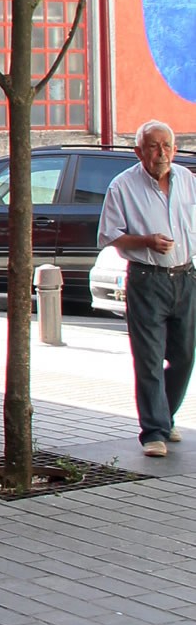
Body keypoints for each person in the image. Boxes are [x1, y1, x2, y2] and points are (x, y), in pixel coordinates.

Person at [99, 118, 196, 457]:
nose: (161, 153)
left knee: (184, 356)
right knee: (150, 358)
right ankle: (154, 430)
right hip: (146, 278)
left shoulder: (187, 180)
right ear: (139, 151)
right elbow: (110, 235)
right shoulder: (122, 186)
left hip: (186, 277)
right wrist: (147, 242)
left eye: (167, 145)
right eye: (153, 146)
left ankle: (165, 416)